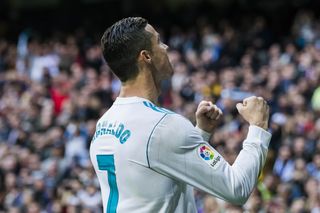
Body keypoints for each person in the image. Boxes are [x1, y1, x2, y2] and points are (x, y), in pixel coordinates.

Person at [89, 17, 271, 213]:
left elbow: (156, 174)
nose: (165, 47)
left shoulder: (104, 125)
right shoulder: (162, 125)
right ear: (146, 56)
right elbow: (237, 189)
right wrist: (257, 127)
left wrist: (200, 134)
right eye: (158, 42)